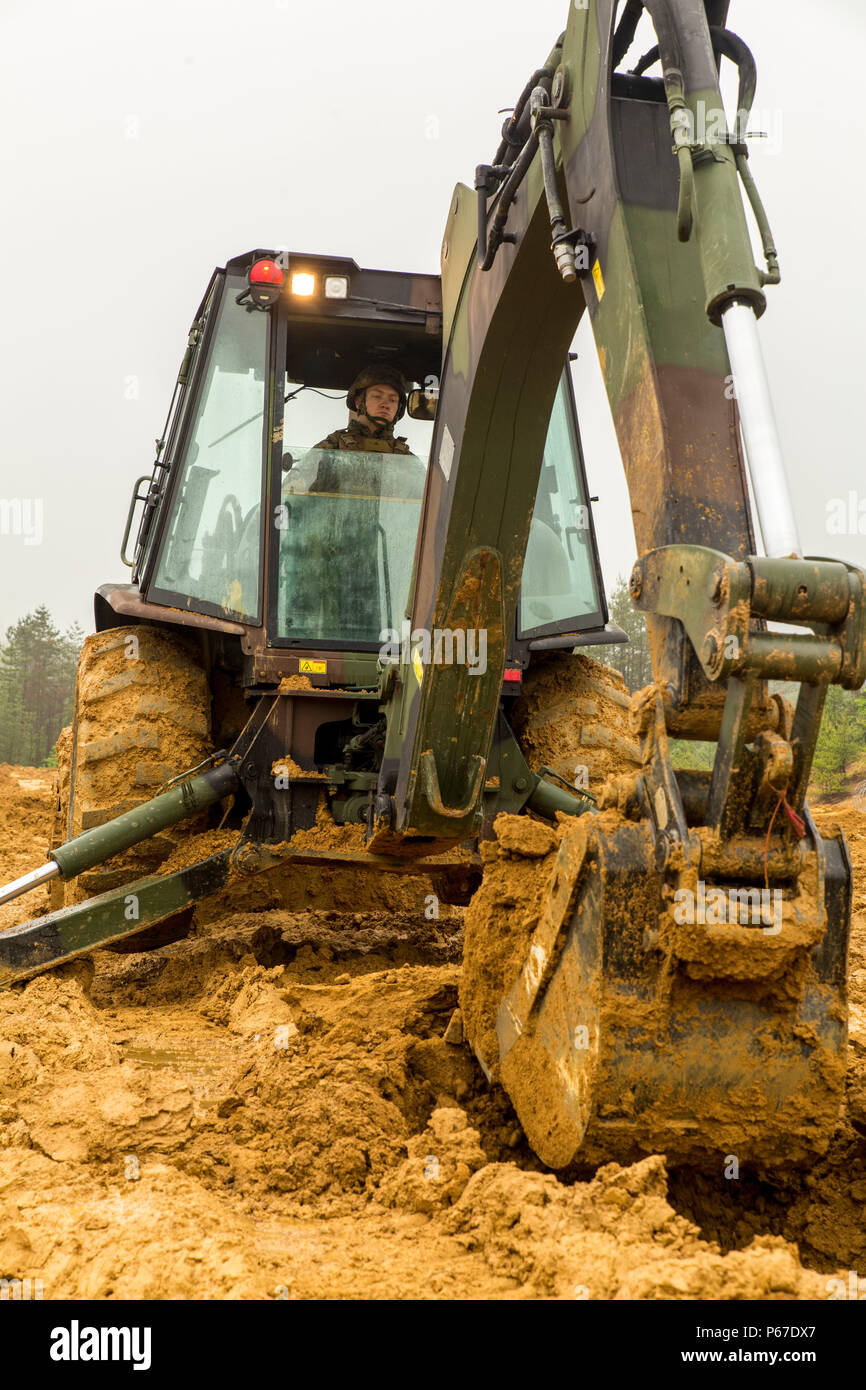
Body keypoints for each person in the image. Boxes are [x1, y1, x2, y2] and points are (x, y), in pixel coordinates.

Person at [314, 365, 414, 455]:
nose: (385, 405)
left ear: (399, 408)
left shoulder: (405, 457)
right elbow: (303, 474)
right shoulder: (333, 446)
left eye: (392, 400)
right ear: (358, 402)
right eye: (377, 396)